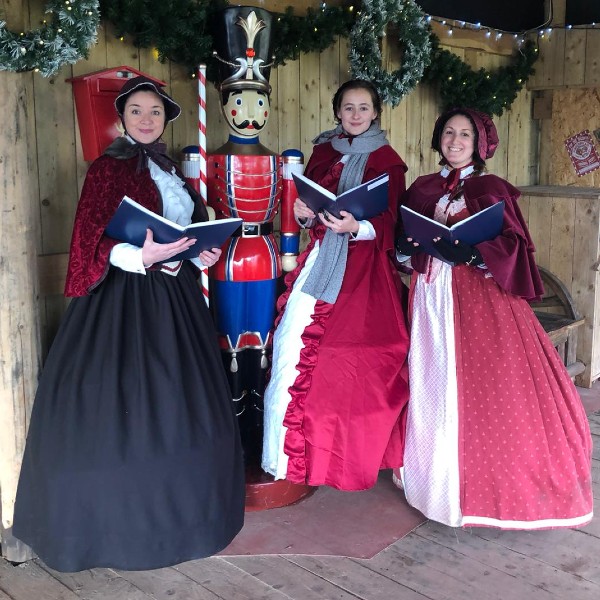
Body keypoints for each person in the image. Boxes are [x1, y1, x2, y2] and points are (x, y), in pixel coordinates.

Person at [12, 76, 245, 572]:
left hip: (178, 304)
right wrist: (141, 256)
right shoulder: (106, 170)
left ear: (165, 120)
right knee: (126, 408)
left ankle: (191, 519)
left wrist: (201, 253)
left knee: (185, 404)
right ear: (121, 118)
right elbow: (89, 242)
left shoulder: (173, 172)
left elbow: (189, 233)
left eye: (155, 112)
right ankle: (118, 530)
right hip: (122, 305)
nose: (146, 119)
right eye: (136, 111)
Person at [395, 107, 593, 529]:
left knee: (487, 383)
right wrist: (411, 243)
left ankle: (483, 490)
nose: (455, 141)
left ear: (479, 144)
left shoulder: (492, 188)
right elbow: (403, 244)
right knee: (433, 379)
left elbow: (517, 246)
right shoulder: (423, 188)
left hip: (479, 300)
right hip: (430, 297)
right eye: (448, 132)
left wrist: (472, 252)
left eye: (464, 134)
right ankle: (434, 479)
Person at [261, 79, 410, 491]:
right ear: (337, 112)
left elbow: (393, 223)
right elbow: (312, 205)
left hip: (365, 268)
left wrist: (357, 226)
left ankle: (338, 458)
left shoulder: (388, 160)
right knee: (293, 346)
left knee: (349, 365)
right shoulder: (325, 151)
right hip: (322, 260)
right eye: (349, 108)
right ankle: (288, 458)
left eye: (364, 107)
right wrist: (305, 213)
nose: (356, 115)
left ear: (376, 112)